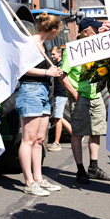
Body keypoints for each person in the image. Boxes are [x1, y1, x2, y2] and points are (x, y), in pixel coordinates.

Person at [59, 18, 110, 185]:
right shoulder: (71, 50)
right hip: (80, 96)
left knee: (96, 132)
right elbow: (63, 75)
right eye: (94, 29)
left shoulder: (95, 47)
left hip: (96, 95)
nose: (97, 32)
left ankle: (94, 167)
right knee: (78, 133)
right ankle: (80, 170)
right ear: (85, 32)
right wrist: (75, 94)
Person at [15, 13, 64, 196]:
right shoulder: (29, 43)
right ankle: (29, 182)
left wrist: (50, 72)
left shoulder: (44, 45)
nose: (55, 37)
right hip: (31, 90)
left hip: (43, 91)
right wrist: (47, 73)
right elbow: (23, 69)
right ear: (52, 31)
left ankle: (38, 178)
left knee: (39, 139)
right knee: (29, 139)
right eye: (55, 33)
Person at [48, 46, 71, 152]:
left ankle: (56, 143)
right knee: (59, 117)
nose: (52, 56)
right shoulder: (56, 65)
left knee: (57, 118)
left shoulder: (62, 65)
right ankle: (74, 134)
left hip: (61, 93)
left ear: (59, 53)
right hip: (57, 93)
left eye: (54, 54)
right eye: (51, 55)